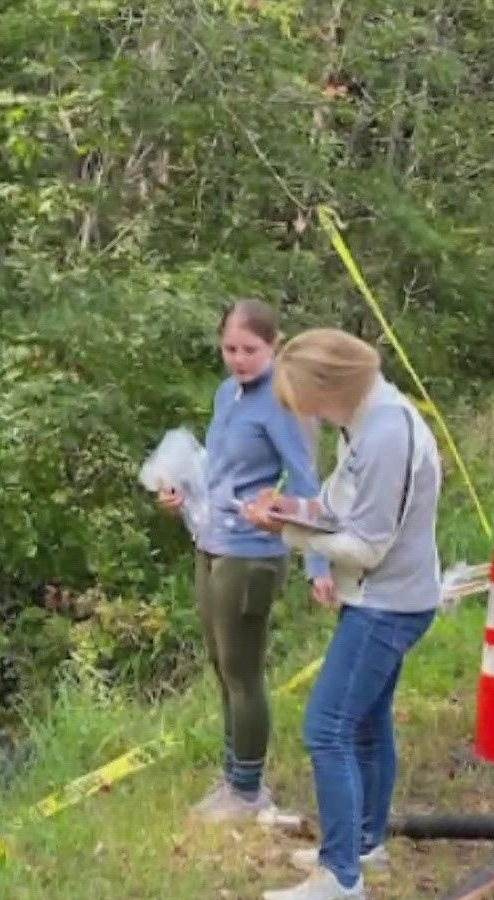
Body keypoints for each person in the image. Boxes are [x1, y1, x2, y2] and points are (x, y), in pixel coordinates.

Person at [239, 327, 442, 900]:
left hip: (387, 602)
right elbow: (339, 506)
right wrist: (287, 506)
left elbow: (369, 545)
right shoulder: (366, 420)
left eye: (306, 401)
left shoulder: (385, 434)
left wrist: (286, 534)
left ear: (330, 387)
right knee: (366, 724)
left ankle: (341, 881)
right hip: (384, 596)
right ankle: (364, 844)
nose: (308, 416)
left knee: (326, 728)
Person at [158, 299, 327, 824]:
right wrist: (184, 495)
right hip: (211, 542)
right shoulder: (226, 394)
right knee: (220, 665)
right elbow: (222, 473)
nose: (238, 359)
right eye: (230, 348)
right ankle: (233, 775)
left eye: (250, 350)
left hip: (253, 554)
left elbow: (305, 485)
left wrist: (317, 566)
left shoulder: (284, 401)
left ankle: (249, 791)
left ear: (274, 345)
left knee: (243, 672)